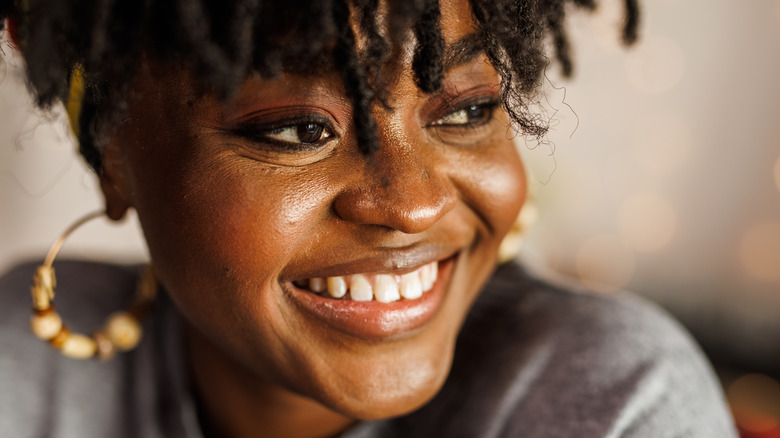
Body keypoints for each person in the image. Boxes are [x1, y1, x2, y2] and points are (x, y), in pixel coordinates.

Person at [0, 0, 737, 437]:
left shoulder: (607, 397)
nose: (413, 203)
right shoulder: (24, 372)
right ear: (113, 159)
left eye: (469, 111)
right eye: (296, 131)